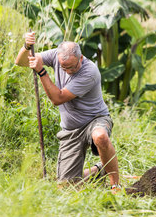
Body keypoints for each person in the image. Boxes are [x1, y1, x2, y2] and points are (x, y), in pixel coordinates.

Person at [15, 31, 121, 193]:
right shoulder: (56, 55)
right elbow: (21, 62)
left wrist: (41, 71)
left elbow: (58, 98)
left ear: (80, 58)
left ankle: (116, 185)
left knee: (100, 136)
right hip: (71, 130)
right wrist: (27, 47)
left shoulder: (89, 72)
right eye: (63, 67)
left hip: (95, 119)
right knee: (66, 188)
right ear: (58, 58)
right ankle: (100, 170)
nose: (68, 71)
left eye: (72, 67)